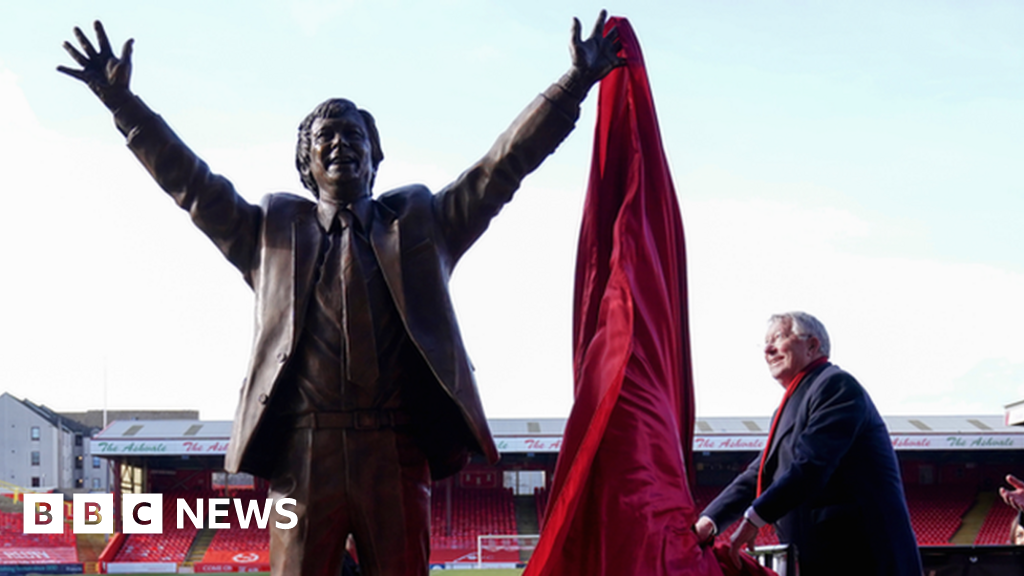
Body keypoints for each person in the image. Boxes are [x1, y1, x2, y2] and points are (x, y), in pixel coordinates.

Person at [58, 14, 623, 576]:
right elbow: (192, 185)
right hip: (302, 453)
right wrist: (123, 106)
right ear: (306, 164)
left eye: (353, 136)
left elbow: (501, 168)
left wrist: (571, 85)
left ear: (376, 158)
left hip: (396, 453)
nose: (339, 145)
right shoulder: (269, 235)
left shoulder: (423, 225)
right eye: (324, 138)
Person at [693, 312, 922, 576]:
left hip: (865, 560)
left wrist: (755, 517)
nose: (768, 349)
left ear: (812, 346)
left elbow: (811, 465)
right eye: (765, 343)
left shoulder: (835, 386)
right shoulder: (788, 405)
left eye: (778, 338)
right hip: (827, 560)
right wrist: (709, 521)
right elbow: (758, 475)